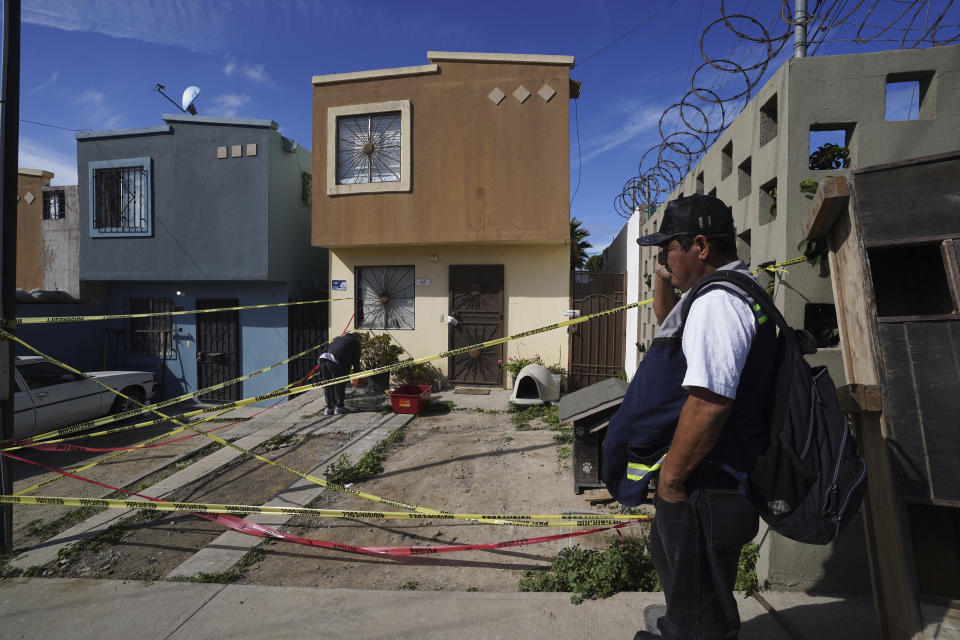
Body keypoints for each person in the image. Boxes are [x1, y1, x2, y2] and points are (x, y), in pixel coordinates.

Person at [615, 195, 777, 640]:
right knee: (692, 582)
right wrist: (663, 277)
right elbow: (678, 329)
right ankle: (681, 624)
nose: (663, 256)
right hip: (719, 476)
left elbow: (710, 401)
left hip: (710, 481)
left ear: (700, 246)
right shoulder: (727, 291)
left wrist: (669, 479)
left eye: (669, 247)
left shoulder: (717, 305)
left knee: (699, 595)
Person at [317, 332, 362, 415]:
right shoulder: (355, 342)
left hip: (322, 359)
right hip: (333, 361)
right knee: (339, 384)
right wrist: (358, 375)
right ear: (358, 339)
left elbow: (327, 349)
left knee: (328, 384)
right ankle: (339, 407)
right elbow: (356, 361)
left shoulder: (339, 338)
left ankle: (329, 408)